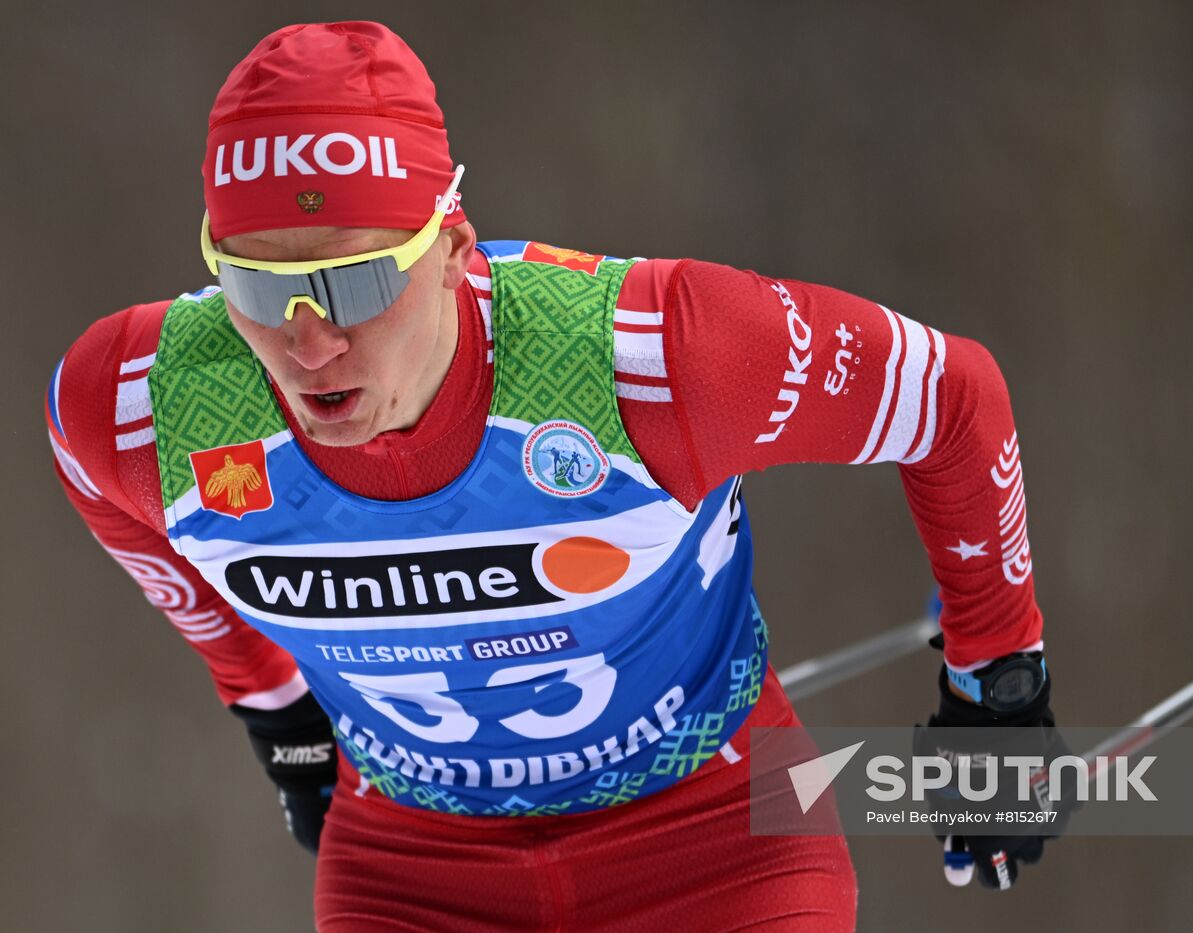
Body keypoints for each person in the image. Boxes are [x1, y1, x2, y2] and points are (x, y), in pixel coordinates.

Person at [44, 20, 1060, 931]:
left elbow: (950, 399)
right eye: (259, 290)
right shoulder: (147, 403)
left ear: (448, 246)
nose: (308, 347)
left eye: (353, 281)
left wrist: (997, 682)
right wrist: (274, 712)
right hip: (410, 876)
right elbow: (102, 493)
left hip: (716, 846)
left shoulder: (649, 359)